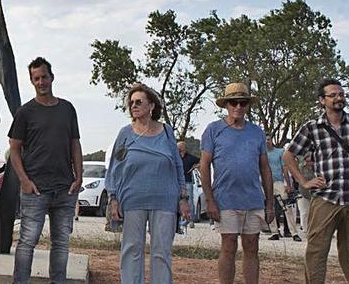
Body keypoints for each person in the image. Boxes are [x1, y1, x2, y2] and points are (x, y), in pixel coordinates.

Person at [283, 78, 349, 284]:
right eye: (333, 95)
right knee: (316, 252)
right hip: (325, 198)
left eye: (341, 94)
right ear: (322, 100)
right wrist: (304, 181)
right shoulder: (312, 127)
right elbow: (288, 156)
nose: (339, 98)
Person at [8, 57, 82, 284]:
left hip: (64, 188)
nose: (41, 82)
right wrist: (24, 180)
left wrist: (78, 177)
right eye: (36, 78)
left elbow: (75, 144)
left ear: (52, 77)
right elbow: (14, 149)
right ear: (32, 81)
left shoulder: (67, 109)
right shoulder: (25, 112)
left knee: (61, 243)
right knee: (28, 241)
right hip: (35, 189)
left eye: (44, 77)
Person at [105, 83, 188, 284]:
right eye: (131, 102)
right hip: (132, 199)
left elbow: (177, 165)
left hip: (165, 200)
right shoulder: (125, 133)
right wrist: (113, 198)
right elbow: (114, 167)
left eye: (139, 102)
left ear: (151, 106)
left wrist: (183, 198)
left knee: (161, 252)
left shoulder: (167, 132)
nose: (134, 105)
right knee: (132, 249)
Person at [199, 83, 274, 284]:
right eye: (234, 102)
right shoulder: (213, 130)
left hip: (253, 198)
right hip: (225, 198)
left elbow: (265, 168)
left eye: (243, 102)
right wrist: (209, 200)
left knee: (252, 246)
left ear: (248, 105)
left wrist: (269, 203)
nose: (238, 106)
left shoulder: (257, 132)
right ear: (226, 105)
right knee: (229, 245)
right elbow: (204, 166)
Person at [266, 134, 302, 242]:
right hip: (266, 183)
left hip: (279, 181)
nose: (267, 141)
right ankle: (274, 232)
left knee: (287, 207)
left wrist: (288, 183)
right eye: (265, 140)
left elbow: (284, 168)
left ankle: (294, 232)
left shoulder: (279, 152)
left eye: (268, 139)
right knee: (270, 207)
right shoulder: (260, 153)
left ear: (271, 140)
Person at [177, 140, 200, 231]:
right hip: (177, 182)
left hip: (188, 182)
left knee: (189, 201)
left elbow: (202, 161)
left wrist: (195, 166)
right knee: (177, 202)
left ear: (184, 148)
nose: (178, 149)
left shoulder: (190, 157)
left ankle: (190, 221)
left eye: (179, 147)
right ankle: (179, 220)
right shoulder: (175, 157)